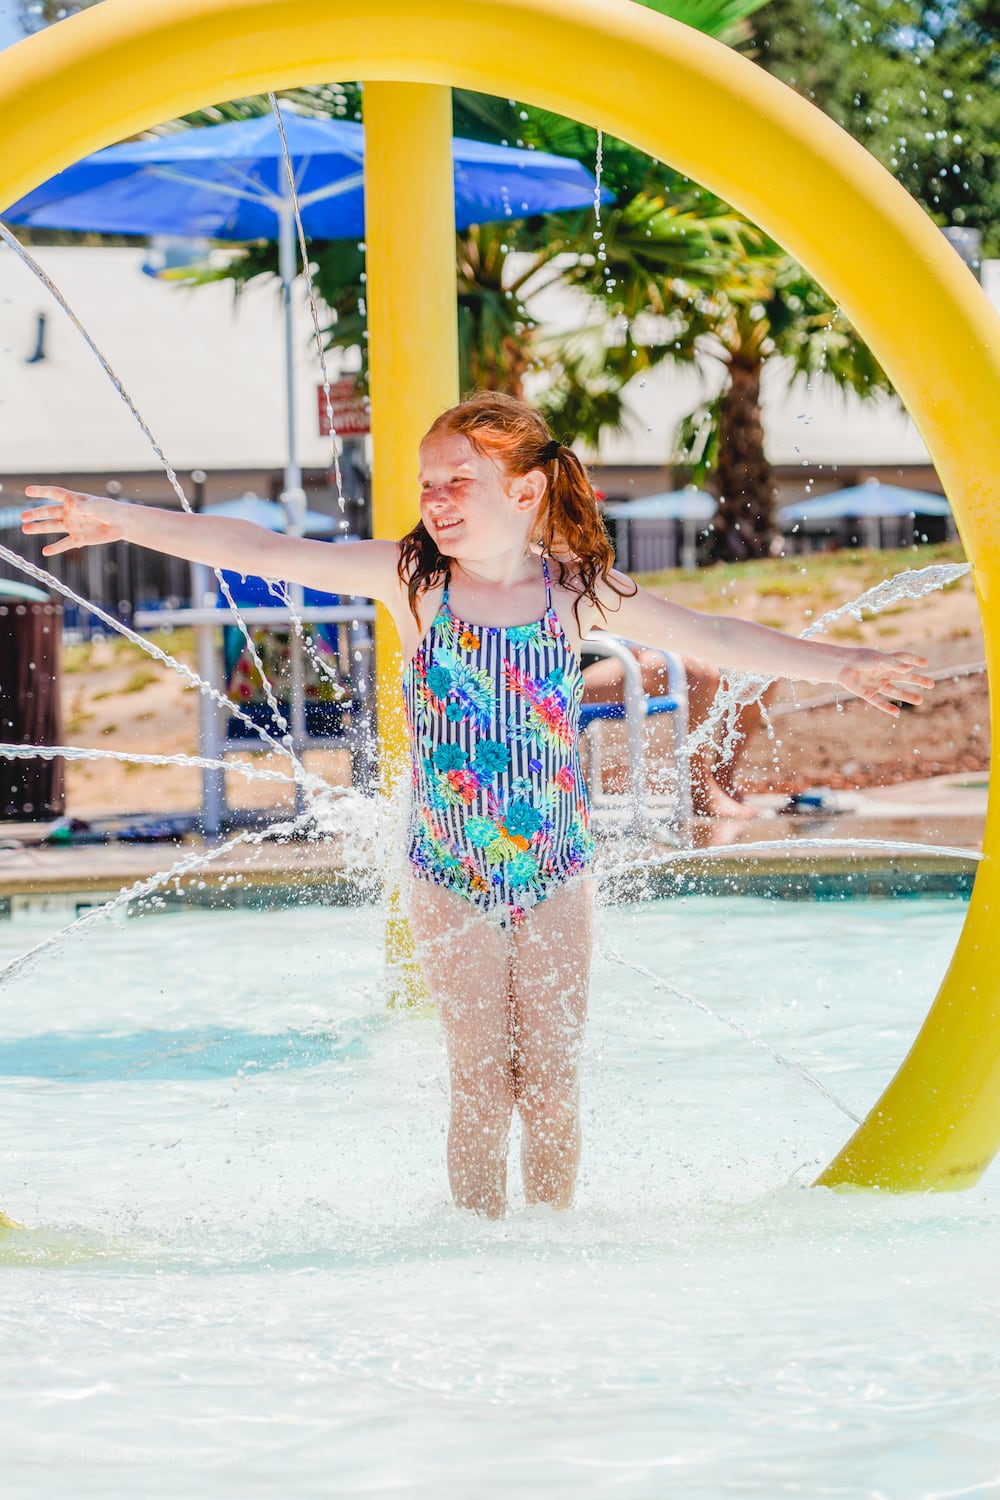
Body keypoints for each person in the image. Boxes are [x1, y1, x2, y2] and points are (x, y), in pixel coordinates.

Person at [22, 392, 933, 1219]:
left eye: (461, 480)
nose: (437, 497)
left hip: (557, 866)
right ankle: (477, 1249)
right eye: (429, 482)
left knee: (550, 1085)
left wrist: (846, 665)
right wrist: (116, 516)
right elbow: (263, 550)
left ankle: (549, 1244)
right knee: (480, 1081)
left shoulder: (575, 595)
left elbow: (714, 633)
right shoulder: (415, 584)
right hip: (448, 869)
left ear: (528, 490)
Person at [580, 650, 775, 818]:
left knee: (759, 671)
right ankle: (699, 789)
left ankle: (723, 778)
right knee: (696, 673)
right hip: (584, 665)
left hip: (639, 651)